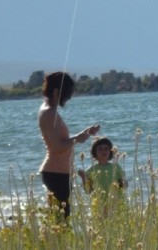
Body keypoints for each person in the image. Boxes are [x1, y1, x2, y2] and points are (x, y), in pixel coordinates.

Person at [38, 71, 99, 219]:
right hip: (56, 173)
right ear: (56, 91)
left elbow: (59, 141)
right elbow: (57, 147)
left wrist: (84, 133)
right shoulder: (49, 113)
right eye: (67, 93)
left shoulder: (48, 111)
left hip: (59, 173)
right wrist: (77, 139)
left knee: (60, 219)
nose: (69, 97)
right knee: (61, 221)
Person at [77, 136, 127, 208]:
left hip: (116, 202)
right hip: (99, 204)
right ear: (95, 152)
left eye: (106, 149)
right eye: (100, 149)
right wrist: (83, 177)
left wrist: (123, 182)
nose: (103, 151)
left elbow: (124, 185)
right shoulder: (91, 170)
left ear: (111, 151)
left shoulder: (116, 167)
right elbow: (88, 191)